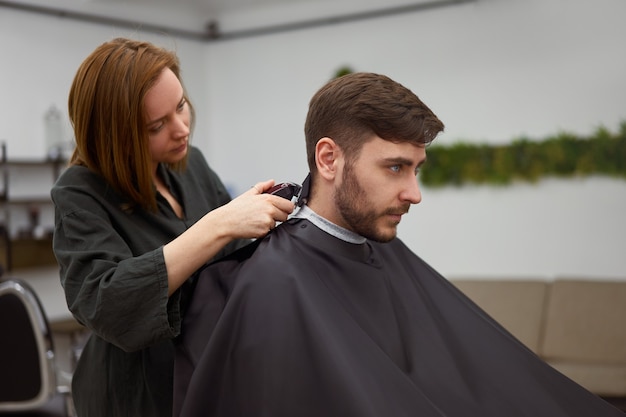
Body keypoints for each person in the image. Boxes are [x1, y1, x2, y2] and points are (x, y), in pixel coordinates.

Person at [174, 72, 623, 416]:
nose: (414, 192)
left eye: (417, 169)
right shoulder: (275, 279)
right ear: (328, 159)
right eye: (394, 168)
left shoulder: (378, 245)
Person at [50, 37, 294, 417]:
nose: (181, 129)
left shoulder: (191, 165)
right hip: (138, 398)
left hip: (209, 376)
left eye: (181, 106)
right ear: (116, 136)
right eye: (156, 126)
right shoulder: (79, 194)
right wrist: (217, 225)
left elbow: (233, 266)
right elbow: (108, 304)